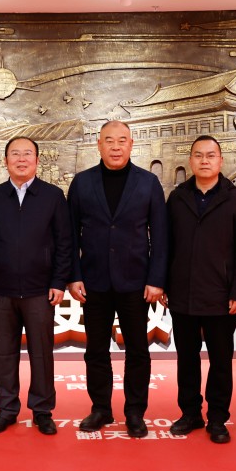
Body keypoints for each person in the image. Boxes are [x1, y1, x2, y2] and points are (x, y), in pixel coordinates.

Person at [67, 120, 167, 438]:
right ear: (99, 144)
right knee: (96, 350)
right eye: (109, 140)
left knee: (137, 350)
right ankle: (101, 408)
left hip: (136, 282)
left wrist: (156, 279)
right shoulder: (82, 183)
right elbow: (69, 235)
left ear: (131, 144)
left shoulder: (148, 183)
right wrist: (74, 275)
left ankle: (135, 412)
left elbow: (161, 236)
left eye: (122, 140)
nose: (115, 146)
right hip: (93, 281)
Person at [0, 137, 71, 436]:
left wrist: (58, 282)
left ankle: (42, 410)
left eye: (27, 154)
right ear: (5, 161)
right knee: (4, 353)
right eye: (15, 154)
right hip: (2, 291)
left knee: (41, 354)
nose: (21, 159)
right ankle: (6, 409)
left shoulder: (53, 196)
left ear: (37, 160)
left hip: (40, 291)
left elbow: (64, 243)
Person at [165, 136, 236, 444]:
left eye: (211, 155)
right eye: (198, 155)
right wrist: (164, 284)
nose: (204, 160)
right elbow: (166, 245)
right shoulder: (177, 198)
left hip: (222, 295)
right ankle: (190, 413)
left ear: (220, 161)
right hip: (183, 293)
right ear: (190, 160)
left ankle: (217, 417)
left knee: (221, 360)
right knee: (186, 358)